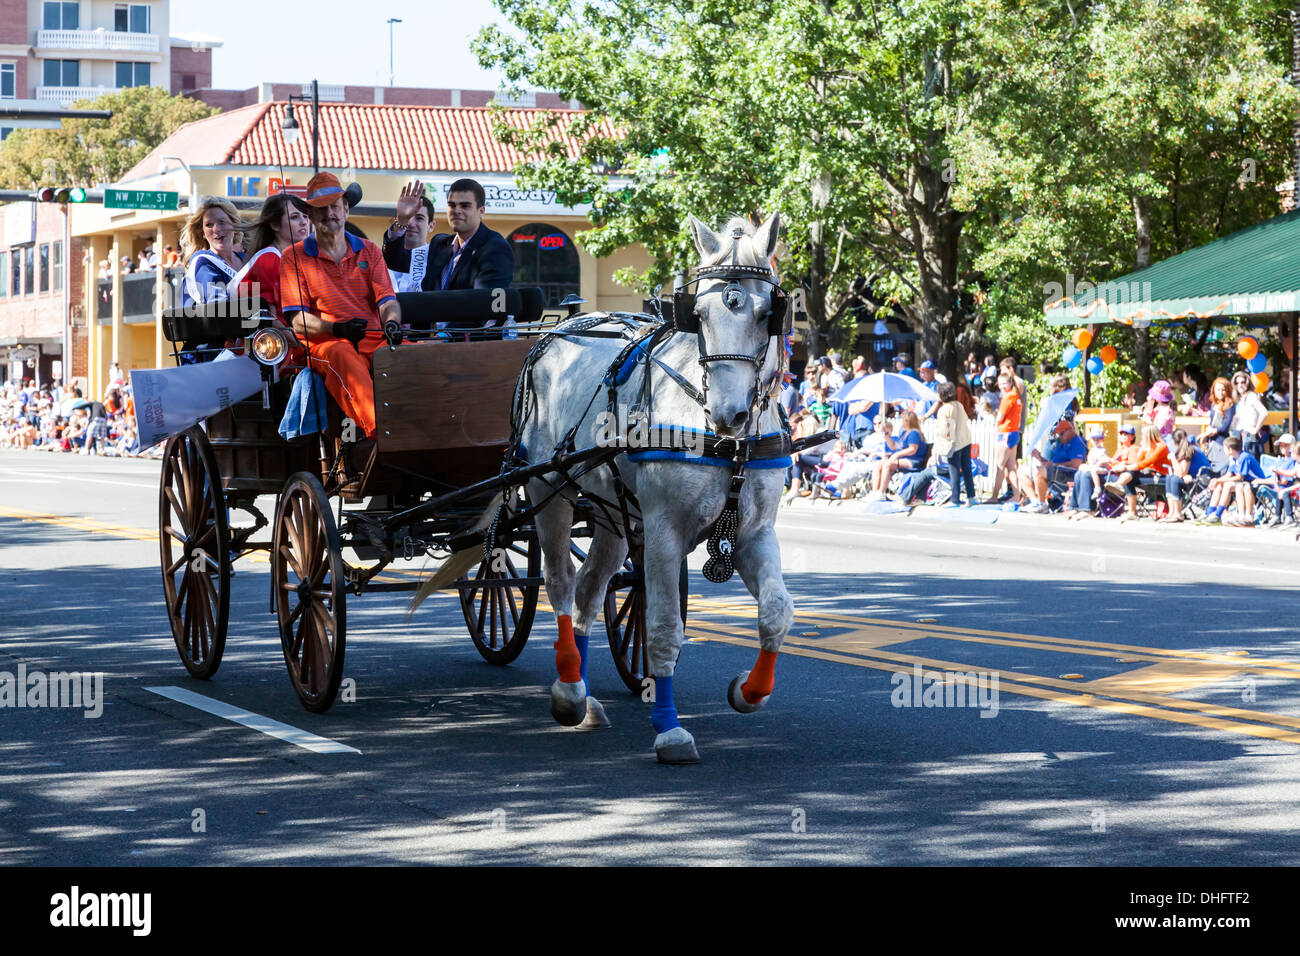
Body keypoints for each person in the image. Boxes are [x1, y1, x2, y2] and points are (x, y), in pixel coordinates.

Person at [279, 171, 401, 472]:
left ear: (347, 208)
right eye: (321, 208)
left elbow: (387, 300)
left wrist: (393, 324)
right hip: (324, 344)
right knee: (342, 354)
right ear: (310, 213)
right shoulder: (292, 258)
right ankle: (382, 437)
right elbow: (297, 321)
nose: (329, 213)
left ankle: (436, 430)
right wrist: (337, 329)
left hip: (373, 336)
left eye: (335, 205)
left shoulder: (369, 250)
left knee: (415, 353)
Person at [382, 177, 515, 295]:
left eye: (465, 206)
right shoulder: (440, 243)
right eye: (452, 205)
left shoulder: (494, 248)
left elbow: (484, 302)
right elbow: (395, 261)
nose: (457, 211)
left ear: (481, 211)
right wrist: (401, 221)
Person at [238, 192, 313, 317]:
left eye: (306, 216)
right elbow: (270, 319)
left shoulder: (298, 259)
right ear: (274, 224)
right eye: (294, 217)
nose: (304, 222)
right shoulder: (269, 258)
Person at [180, 196, 246, 307]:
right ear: (202, 232)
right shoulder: (202, 262)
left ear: (234, 225)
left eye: (222, 222)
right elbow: (218, 308)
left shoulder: (249, 259)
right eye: (209, 225)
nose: (216, 229)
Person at [1020, 409, 1086, 513]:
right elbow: (1049, 463)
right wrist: (1039, 458)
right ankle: (1036, 502)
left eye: (1061, 433)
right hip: (1056, 471)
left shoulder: (1077, 442)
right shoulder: (1061, 443)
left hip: (1069, 474)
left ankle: (1042, 504)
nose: (1059, 437)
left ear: (1070, 430)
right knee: (1024, 472)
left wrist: (1054, 464)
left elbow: (1076, 464)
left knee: (1038, 471)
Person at [382, 180, 437, 293]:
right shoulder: (380, 259)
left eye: (419, 218)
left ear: (431, 226)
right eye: (407, 217)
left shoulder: (436, 259)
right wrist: (401, 222)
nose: (410, 223)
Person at [1105, 424, 1170, 521]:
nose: (1142, 437)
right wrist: (1126, 464)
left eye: (1143, 435)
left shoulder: (1161, 447)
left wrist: (1125, 467)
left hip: (1162, 477)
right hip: (1150, 475)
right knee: (1130, 477)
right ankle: (1132, 511)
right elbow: (1137, 462)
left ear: (1149, 435)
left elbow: (1146, 463)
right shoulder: (1146, 448)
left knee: (1130, 472)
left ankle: (1119, 485)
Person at [1198, 436, 1266, 526]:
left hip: (1255, 482)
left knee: (1228, 485)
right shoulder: (1233, 458)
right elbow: (1228, 475)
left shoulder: (1243, 457)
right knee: (1219, 486)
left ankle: (1218, 514)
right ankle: (1210, 512)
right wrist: (1217, 480)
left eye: (1224, 449)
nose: (1223, 451)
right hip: (1244, 482)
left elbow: (1239, 477)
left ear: (1230, 450)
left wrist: (1220, 481)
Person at [933, 380, 975, 506]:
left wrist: (939, 433)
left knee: (954, 471)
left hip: (953, 444)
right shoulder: (958, 405)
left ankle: (955, 499)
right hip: (966, 440)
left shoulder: (944, 410)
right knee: (967, 469)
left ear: (942, 395)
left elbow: (947, 431)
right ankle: (971, 497)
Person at [984, 371, 1022, 503]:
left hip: (1005, 433)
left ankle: (994, 496)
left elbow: (1000, 417)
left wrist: (992, 413)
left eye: (1004, 383)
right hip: (1014, 433)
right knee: (1011, 467)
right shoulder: (1016, 396)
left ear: (1010, 383)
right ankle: (1016, 496)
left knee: (1000, 466)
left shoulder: (1008, 397)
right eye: (1000, 384)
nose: (1002, 386)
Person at [1160, 428, 1212, 523]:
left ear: (1174, 441)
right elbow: (1178, 472)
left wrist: (1172, 458)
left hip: (1202, 480)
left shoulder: (1188, 449)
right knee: (1169, 478)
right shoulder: (1181, 449)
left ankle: (1178, 514)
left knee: (1175, 480)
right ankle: (1171, 513)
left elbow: (1180, 472)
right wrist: (1183, 475)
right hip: (1191, 477)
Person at [871, 409, 925, 496]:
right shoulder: (904, 433)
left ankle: (881, 492)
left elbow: (912, 449)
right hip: (904, 459)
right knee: (878, 464)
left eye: (903, 420)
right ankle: (874, 492)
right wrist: (886, 435)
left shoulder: (914, 433)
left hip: (913, 460)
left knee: (887, 464)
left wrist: (897, 454)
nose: (901, 422)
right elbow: (894, 446)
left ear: (908, 421)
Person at [1195, 376, 1235, 471]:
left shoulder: (1229, 405)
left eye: (1223, 390)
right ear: (1213, 390)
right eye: (1218, 390)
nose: (1220, 392)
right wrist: (1208, 430)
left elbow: (1226, 426)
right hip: (1212, 440)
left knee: (1221, 468)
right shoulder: (1213, 405)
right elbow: (1212, 422)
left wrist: (1212, 431)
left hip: (1222, 440)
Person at [1230, 370, 1269, 463]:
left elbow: (1264, 412)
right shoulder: (1240, 398)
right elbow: (1237, 418)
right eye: (1237, 382)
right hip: (1240, 435)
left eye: (1242, 382)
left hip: (1250, 435)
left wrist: (1255, 429)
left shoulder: (1251, 396)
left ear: (1247, 383)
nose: (1240, 385)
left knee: (1251, 462)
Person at [1264, 433, 1299, 526]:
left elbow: (1286, 480)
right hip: (1278, 486)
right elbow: (1276, 477)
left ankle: (1288, 516)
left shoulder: (1293, 461)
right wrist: (1261, 481)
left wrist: (1277, 471)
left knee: (1282, 491)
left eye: (1286, 445)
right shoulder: (1280, 460)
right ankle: (1277, 516)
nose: (1283, 447)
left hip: (1290, 487)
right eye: (1281, 445)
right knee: (1279, 490)